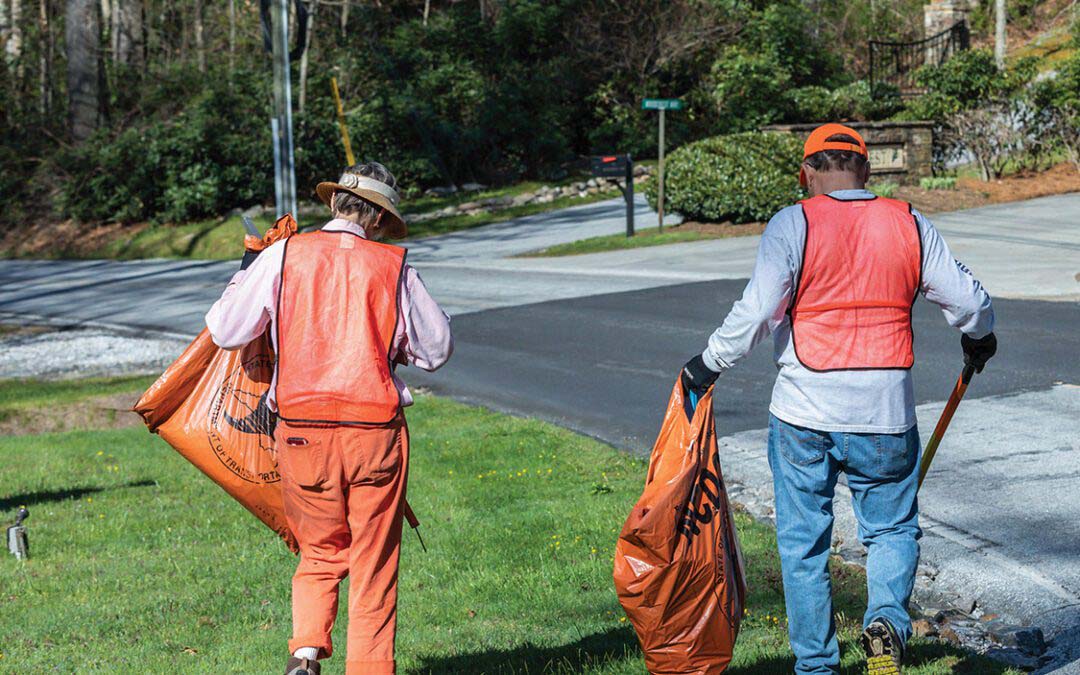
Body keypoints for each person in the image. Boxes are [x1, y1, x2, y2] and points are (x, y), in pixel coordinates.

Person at [680, 124, 996, 675]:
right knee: (892, 529)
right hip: (885, 413)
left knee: (803, 544)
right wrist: (979, 337)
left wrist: (708, 364)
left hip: (803, 414)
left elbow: (758, 311)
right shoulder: (908, 221)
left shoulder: (792, 223)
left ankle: (816, 666)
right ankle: (886, 623)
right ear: (866, 171)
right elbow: (970, 302)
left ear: (806, 174)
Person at [205, 162, 454, 675]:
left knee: (319, 550)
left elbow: (227, 330)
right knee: (373, 562)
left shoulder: (282, 256)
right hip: (375, 435)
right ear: (380, 218)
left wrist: (246, 270)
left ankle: (305, 654)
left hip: (302, 433)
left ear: (334, 202)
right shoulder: (394, 267)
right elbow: (436, 350)